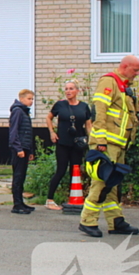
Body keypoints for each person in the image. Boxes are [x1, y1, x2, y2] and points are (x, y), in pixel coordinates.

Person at [79, 55, 139, 238]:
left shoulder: (124, 88)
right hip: (106, 145)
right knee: (100, 182)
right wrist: (100, 141)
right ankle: (87, 220)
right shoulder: (109, 81)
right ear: (124, 66)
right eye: (135, 70)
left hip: (118, 144)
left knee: (112, 184)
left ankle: (116, 221)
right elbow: (100, 111)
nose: (138, 74)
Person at [45, 80, 92, 210]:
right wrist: (51, 132)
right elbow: (48, 118)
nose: (68, 91)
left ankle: (73, 198)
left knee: (75, 171)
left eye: (71, 88)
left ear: (77, 91)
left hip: (78, 144)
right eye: (66, 89)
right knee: (61, 170)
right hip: (63, 143)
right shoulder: (60, 105)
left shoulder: (84, 106)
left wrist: (91, 140)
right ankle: (49, 199)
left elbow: (88, 125)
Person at [9, 89, 36, 214]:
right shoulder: (18, 111)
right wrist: (18, 148)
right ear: (22, 98)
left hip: (25, 148)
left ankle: (21, 202)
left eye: (32, 99)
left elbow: (27, 133)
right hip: (19, 149)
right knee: (18, 176)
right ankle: (17, 204)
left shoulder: (25, 112)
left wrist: (30, 150)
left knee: (22, 176)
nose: (31, 101)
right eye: (29, 99)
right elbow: (14, 132)